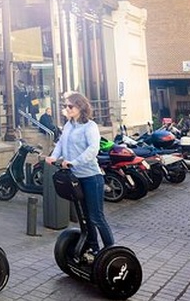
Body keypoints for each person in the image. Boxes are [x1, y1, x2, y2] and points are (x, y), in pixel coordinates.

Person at [45, 91, 114, 260]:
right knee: (84, 216)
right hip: (75, 178)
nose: (66, 109)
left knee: (96, 216)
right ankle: (93, 248)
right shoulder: (69, 125)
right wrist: (54, 156)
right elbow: (61, 142)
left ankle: (111, 251)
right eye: (65, 106)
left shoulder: (90, 127)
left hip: (91, 177)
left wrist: (73, 162)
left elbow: (92, 150)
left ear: (80, 107)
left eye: (70, 106)